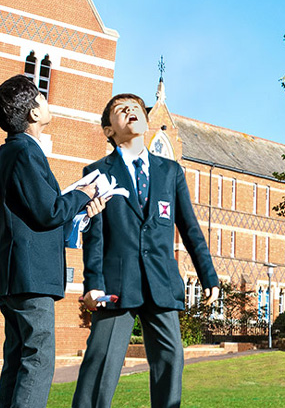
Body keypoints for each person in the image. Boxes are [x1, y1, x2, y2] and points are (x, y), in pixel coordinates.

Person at [72, 93, 220, 408]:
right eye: (120, 110)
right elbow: (94, 235)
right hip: (116, 285)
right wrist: (93, 284)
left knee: (171, 362)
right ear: (108, 130)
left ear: (146, 118)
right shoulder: (97, 173)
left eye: (136, 108)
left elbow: (190, 228)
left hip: (162, 283)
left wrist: (209, 275)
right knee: (100, 365)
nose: (130, 112)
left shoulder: (171, 171)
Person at [0, 74, 106, 408]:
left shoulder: (12, 152)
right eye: (41, 97)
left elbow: (40, 212)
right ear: (33, 114)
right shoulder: (25, 152)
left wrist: (82, 208)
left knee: (18, 357)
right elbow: (48, 211)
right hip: (31, 277)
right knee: (38, 358)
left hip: (16, 275)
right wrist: (83, 194)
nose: (46, 101)